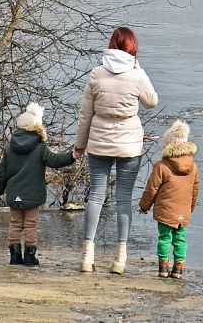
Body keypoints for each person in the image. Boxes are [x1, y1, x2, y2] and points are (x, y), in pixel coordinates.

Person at [74, 27, 158, 274]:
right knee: (123, 199)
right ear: (133, 49)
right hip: (129, 144)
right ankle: (120, 256)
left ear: (111, 45)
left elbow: (85, 115)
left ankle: (87, 253)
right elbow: (151, 101)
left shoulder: (96, 73)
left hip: (99, 142)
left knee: (96, 197)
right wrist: (140, 69)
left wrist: (79, 144)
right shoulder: (136, 75)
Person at [0, 102, 76, 266]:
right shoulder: (40, 148)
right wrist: (72, 156)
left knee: (15, 224)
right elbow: (55, 160)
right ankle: (30, 257)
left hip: (14, 194)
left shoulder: (9, 148)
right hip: (33, 195)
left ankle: (15, 257)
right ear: (37, 128)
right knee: (31, 225)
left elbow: (2, 173)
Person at [139, 120, 199, 279]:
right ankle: (178, 268)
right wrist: (190, 208)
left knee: (164, 238)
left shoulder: (161, 166)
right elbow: (194, 189)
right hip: (183, 211)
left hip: (165, 211)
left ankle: (163, 268)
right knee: (180, 239)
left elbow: (151, 189)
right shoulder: (193, 166)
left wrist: (144, 206)